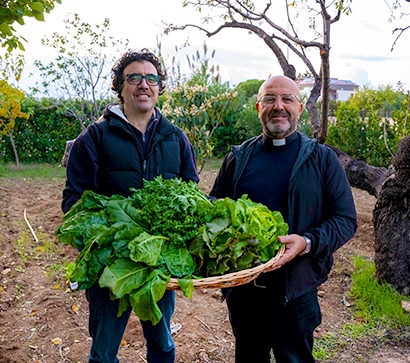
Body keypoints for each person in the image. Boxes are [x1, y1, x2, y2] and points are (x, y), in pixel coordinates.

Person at [61, 49, 199, 363]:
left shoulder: (176, 138)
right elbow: (73, 202)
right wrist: (113, 237)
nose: (143, 85)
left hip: (158, 264)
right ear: (120, 87)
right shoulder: (94, 138)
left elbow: (191, 197)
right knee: (104, 350)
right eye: (133, 78)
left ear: (160, 87)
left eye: (151, 78)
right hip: (111, 267)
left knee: (163, 344)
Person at [210, 75, 357, 363]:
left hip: (295, 292)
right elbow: (215, 204)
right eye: (270, 99)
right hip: (245, 291)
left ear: (299, 108)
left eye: (287, 99)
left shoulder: (322, 159)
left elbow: (345, 219)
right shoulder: (237, 158)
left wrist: (307, 241)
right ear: (258, 108)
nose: (279, 106)